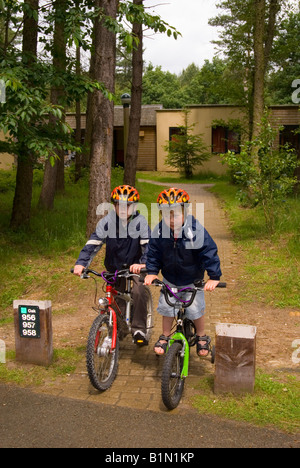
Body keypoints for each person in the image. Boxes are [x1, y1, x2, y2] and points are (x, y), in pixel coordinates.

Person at [144, 187, 222, 357]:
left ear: (185, 212)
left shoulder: (195, 230)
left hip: (192, 280)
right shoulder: (159, 231)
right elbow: (153, 253)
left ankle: (201, 336)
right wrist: (151, 271)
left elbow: (209, 252)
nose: (171, 219)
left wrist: (214, 277)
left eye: (176, 215)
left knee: (195, 309)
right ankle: (165, 335)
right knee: (166, 307)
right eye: (167, 215)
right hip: (170, 279)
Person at [73, 185, 151, 346]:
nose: (123, 209)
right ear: (114, 206)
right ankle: (119, 328)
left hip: (135, 267)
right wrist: (81, 264)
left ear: (134, 207)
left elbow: (148, 247)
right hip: (115, 266)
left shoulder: (140, 222)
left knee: (138, 290)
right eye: (119, 205)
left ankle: (139, 329)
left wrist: (143, 264)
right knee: (116, 296)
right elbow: (93, 244)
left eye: (127, 205)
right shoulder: (107, 222)